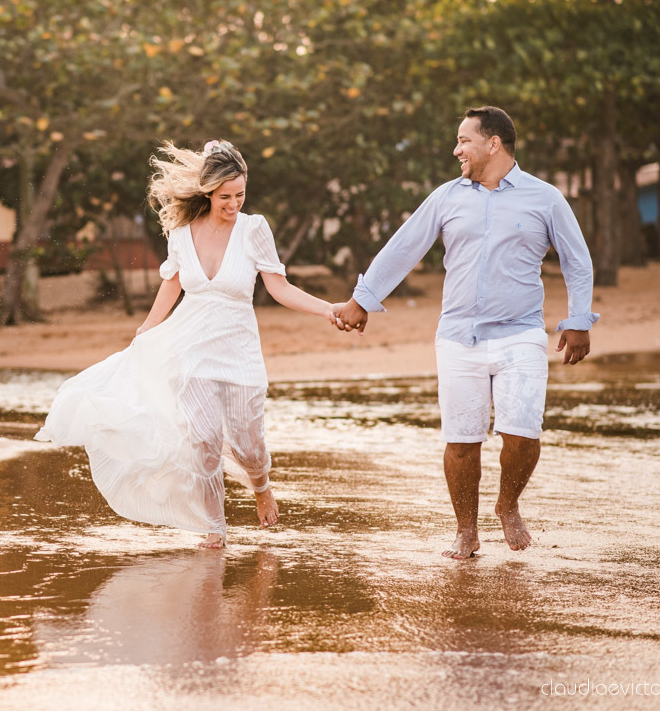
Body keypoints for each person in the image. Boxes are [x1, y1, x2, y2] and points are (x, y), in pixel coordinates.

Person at [37, 139, 338, 548]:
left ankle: (261, 484)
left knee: (249, 445)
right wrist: (146, 331)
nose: (234, 204)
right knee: (204, 441)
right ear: (207, 193)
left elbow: (280, 288)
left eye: (240, 195)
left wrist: (328, 310)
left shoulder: (254, 229)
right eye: (225, 197)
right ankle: (213, 528)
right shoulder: (181, 232)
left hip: (239, 351)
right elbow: (172, 285)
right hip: (190, 347)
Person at [332, 106, 599, 560]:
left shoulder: (546, 198)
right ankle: (466, 530)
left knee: (523, 434)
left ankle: (508, 504)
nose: (457, 150)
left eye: (464, 141)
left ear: (492, 143)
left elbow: (577, 260)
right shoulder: (446, 197)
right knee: (461, 441)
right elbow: (404, 247)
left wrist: (578, 319)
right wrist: (362, 299)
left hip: (521, 334)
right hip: (458, 337)